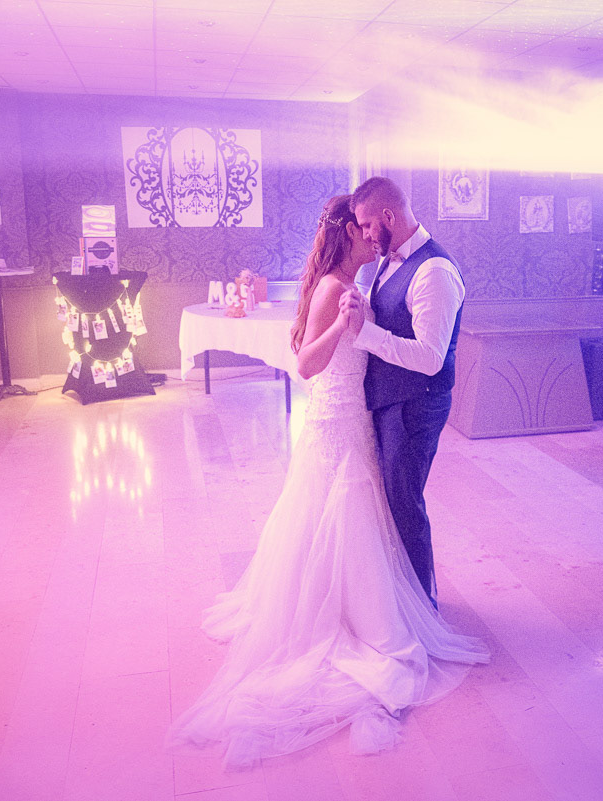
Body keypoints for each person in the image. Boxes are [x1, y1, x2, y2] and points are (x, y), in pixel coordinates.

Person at [167, 195, 488, 769]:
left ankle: (364, 605)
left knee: (358, 520)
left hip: (356, 419)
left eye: (371, 226)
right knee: (339, 516)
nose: (372, 237)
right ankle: (351, 616)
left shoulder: (368, 277)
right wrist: (343, 325)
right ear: (347, 235)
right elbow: (307, 364)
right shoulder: (335, 289)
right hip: (337, 422)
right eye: (362, 230)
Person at [339, 177, 465, 610]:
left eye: (367, 225)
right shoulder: (389, 261)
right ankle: (401, 600)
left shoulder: (434, 271)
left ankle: (423, 606)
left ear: (389, 216)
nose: (365, 234)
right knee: (391, 502)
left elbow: (430, 358)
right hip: (391, 399)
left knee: (405, 504)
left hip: (416, 404)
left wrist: (364, 332)